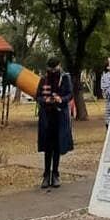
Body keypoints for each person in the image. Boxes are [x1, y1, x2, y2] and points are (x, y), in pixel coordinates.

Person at [36, 56, 73, 189]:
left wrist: (61, 99)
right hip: (46, 116)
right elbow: (38, 95)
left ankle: (56, 174)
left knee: (57, 146)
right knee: (47, 146)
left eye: (55, 68)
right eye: (50, 68)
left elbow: (70, 94)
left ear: (59, 66)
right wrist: (44, 100)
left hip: (59, 115)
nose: (53, 71)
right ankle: (46, 175)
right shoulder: (43, 79)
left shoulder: (65, 78)